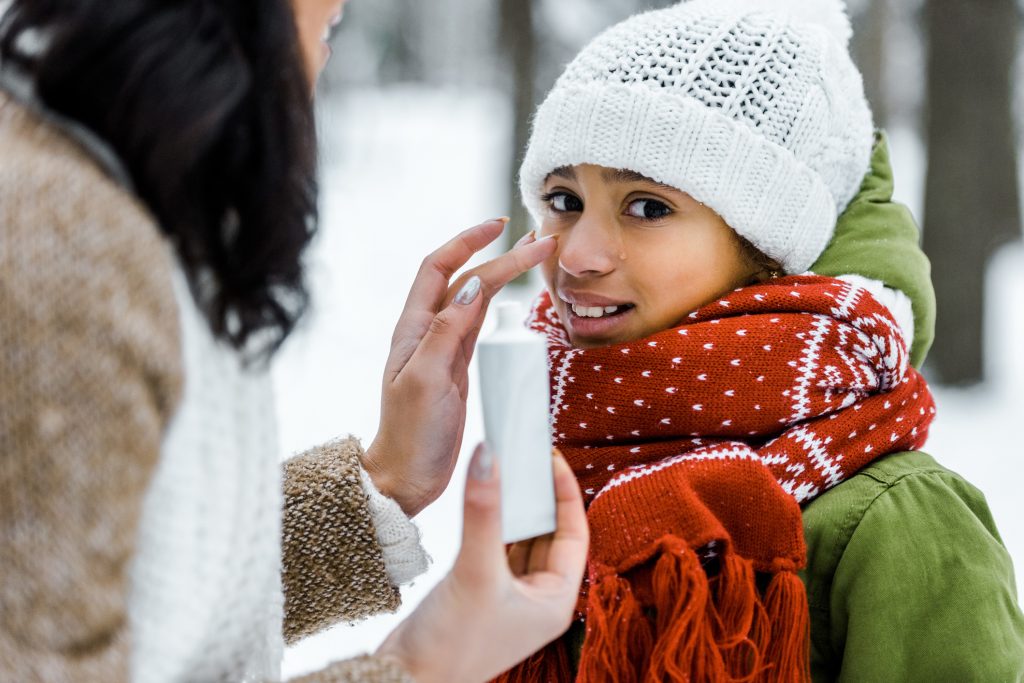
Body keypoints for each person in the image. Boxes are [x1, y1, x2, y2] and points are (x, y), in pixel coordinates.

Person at [0, 1, 589, 682]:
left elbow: (140, 585)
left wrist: (383, 482)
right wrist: (422, 664)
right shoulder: (59, 254)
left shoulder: (119, 193)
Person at [490, 1, 1024, 681]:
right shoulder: (548, 472)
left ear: (765, 245)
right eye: (564, 199)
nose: (577, 254)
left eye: (648, 206)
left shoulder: (894, 522)